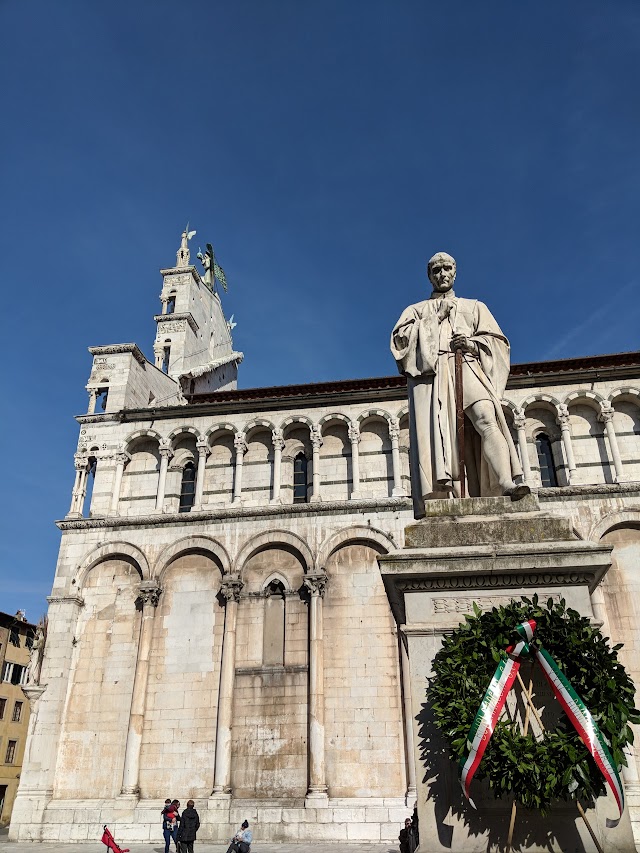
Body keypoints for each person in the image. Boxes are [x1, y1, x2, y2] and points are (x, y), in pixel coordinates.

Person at [391, 251, 529, 518]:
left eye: (447, 269)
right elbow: (400, 343)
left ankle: (506, 482)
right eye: (436, 271)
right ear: (429, 276)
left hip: (467, 365)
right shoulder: (415, 310)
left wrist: (472, 343)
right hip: (435, 375)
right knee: (445, 436)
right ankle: (450, 492)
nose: (442, 275)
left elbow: (499, 343)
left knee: (487, 418)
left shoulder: (475, 306)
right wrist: (434, 319)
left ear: (455, 272)